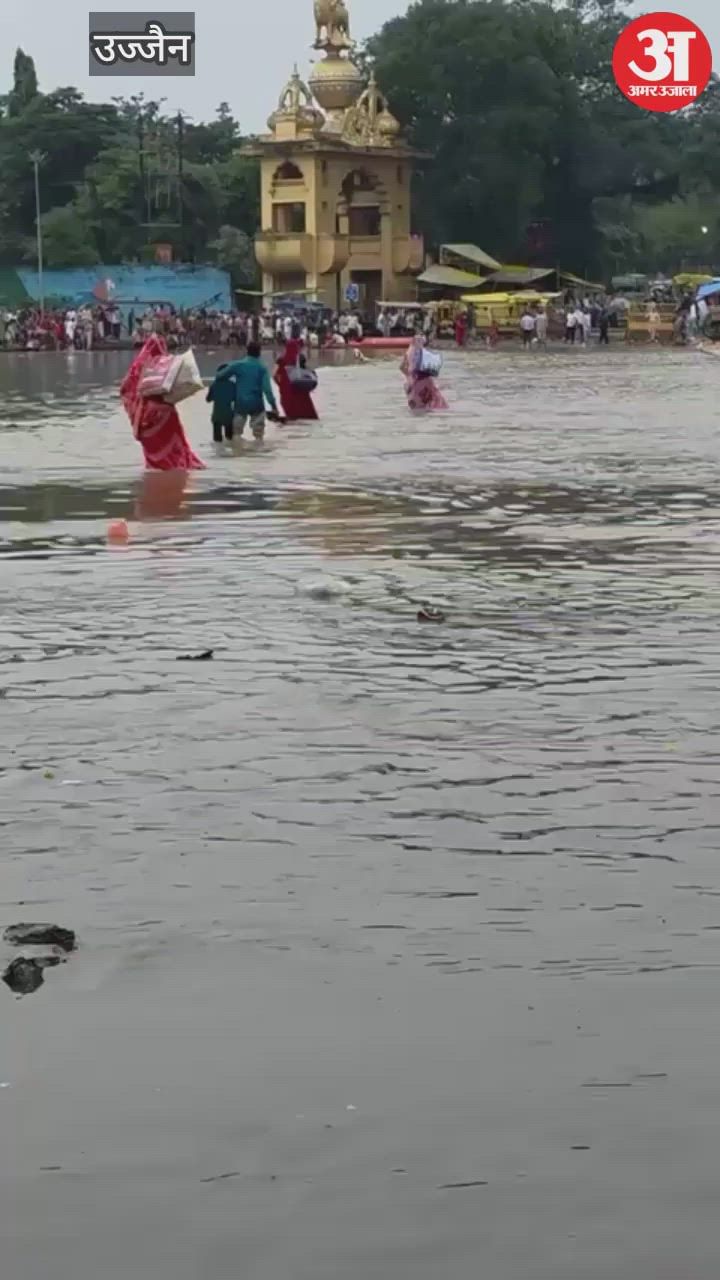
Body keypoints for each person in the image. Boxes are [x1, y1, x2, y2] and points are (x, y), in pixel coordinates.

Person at [120, 335, 205, 471]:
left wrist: (138, 406)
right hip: (164, 412)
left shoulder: (137, 368)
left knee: (153, 454)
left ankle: (158, 471)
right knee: (174, 448)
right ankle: (175, 469)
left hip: (144, 418)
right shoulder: (165, 363)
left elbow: (125, 389)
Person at [213, 341, 280, 441]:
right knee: (258, 436)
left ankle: (237, 452)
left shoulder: (238, 365)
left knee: (236, 434)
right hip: (257, 404)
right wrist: (274, 407)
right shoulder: (262, 368)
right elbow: (267, 390)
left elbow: (219, 376)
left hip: (241, 404)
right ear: (259, 352)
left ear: (247, 351)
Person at [274, 336, 318, 421]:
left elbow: (274, 375)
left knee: (291, 419)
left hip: (286, 393)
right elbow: (307, 374)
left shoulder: (281, 359)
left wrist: (281, 385)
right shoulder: (300, 358)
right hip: (301, 394)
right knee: (306, 418)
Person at [401, 334, 447, 412]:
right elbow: (405, 369)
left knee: (422, 404)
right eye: (418, 341)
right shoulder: (413, 353)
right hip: (419, 381)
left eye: (420, 341)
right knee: (421, 404)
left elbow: (404, 369)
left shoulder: (421, 353)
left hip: (422, 381)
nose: (420, 343)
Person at [206, 362, 237, 449]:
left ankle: (218, 453)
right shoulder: (233, 385)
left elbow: (208, 400)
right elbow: (236, 400)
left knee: (217, 442)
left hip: (216, 416)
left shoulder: (214, 385)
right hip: (229, 416)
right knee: (230, 440)